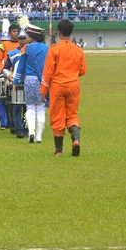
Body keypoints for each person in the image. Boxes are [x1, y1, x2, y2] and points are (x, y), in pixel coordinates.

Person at [40, 19, 87, 157]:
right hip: (73, 85)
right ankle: (76, 140)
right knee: (72, 115)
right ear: (71, 32)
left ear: (58, 32)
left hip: (57, 86)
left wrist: (43, 91)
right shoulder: (78, 50)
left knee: (57, 117)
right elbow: (83, 70)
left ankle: (59, 150)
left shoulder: (54, 49)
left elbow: (47, 72)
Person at [13, 24, 49, 143]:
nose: (26, 37)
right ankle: (39, 136)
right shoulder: (46, 48)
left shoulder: (26, 49)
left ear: (32, 37)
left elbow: (20, 67)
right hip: (42, 80)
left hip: (29, 80)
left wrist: (15, 81)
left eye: (27, 35)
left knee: (30, 107)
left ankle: (31, 132)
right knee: (40, 107)